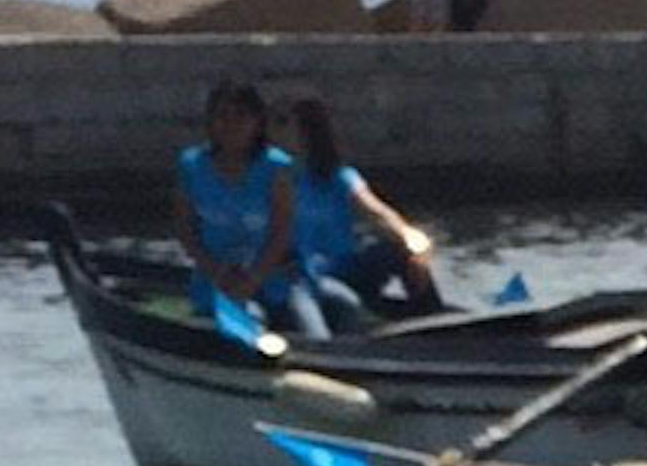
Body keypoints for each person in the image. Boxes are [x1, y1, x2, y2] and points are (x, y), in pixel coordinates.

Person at [283, 96, 444, 322]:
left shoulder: (337, 175)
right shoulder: (273, 178)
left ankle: (434, 316)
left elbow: (378, 211)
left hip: (348, 268)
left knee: (399, 249)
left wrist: (414, 243)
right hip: (309, 277)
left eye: (289, 126)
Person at [172, 79, 305, 332]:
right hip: (215, 282)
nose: (231, 125)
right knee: (242, 325)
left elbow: (282, 233)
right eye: (222, 116)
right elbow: (186, 230)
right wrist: (217, 273)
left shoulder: (276, 168)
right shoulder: (192, 165)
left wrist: (252, 279)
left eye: (241, 116)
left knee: (314, 330)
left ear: (257, 122)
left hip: (274, 281)